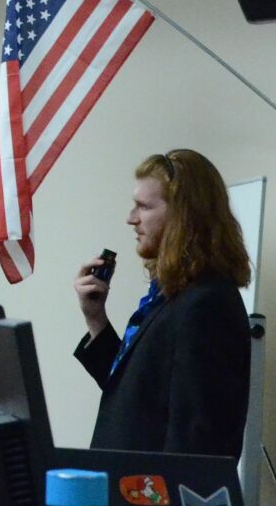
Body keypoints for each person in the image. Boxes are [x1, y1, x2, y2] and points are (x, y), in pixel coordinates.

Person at [72, 150, 252, 457]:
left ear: (183, 215)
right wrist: (96, 320)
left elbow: (196, 440)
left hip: (153, 501)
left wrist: (159, 505)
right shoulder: (171, 296)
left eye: (143, 206)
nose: (131, 218)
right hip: (129, 494)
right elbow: (138, 398)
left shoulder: (206, 306)